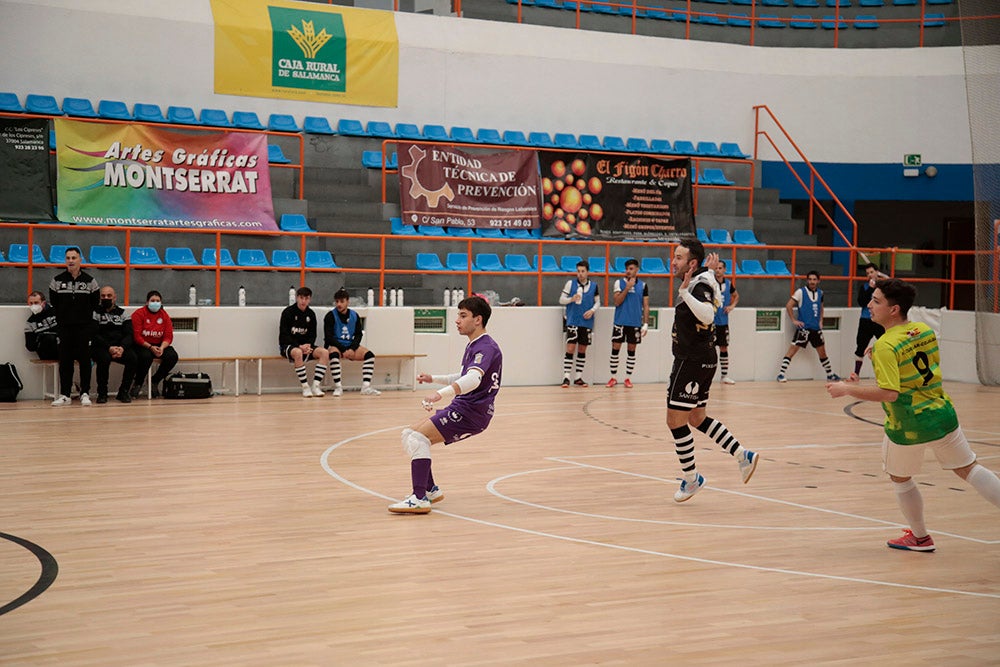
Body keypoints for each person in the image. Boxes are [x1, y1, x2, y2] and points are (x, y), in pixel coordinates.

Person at [826, 278, 1000, 551]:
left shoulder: (885, 345)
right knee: (969, 469)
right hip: (942, 414)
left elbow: (889, 393)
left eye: (876, 301)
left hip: (909, 423)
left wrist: (847, 388)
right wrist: (880, 351)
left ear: (894, 309)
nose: (869, 305)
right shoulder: (923, 330)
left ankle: (920, 537)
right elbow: (912, 361)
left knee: (900, 478)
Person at [388, 296, 502, 514]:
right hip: (464, 408)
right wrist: (434, 378)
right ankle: (429, 490)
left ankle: (419, 498)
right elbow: (462, 375)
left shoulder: (485, 347)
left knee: (418, 438)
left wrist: (440, 394)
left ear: (478, 319)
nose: (457, 320)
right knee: (408, 433)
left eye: (463, 315)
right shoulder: (476, 345)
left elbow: (473, 380)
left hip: (471, 412)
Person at [668, 239, 759, 502]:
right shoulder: (703, 279)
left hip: (692, 361)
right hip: (701, 358)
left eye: (679, 257)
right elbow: (708, 282)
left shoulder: (696, 286)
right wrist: (706, 271)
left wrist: (685, 292)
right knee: (697, 418)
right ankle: (743, 455)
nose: (673, 261)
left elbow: (708, 315)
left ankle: (691, 479)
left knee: (675, 421)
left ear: (691, 263)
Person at [48, 246, 99, 406]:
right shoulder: (56, 280)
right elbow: (55, 304)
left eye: (73, 258)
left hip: (84, 328)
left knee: (85, 361)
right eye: (68, 258)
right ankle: (65, 394)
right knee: (65, 361)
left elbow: (94, 304)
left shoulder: (90, 281)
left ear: (80, 260)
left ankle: (85, 393)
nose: (70, 261)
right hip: (64, 328)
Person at [776, 271, 839, 382]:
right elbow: (789, 305)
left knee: (823, 352)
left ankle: (830, 374)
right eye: (810, 279)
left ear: (818, 281)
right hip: (804, 329)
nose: (812, 281)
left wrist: (821, 321)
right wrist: (794, 320)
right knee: (792, 350)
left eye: (814, 279)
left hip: (816, 328)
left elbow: (821, 308)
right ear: (807, 280)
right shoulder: (800, 292)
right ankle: (781, 374)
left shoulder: (821, 293)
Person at [324, 287, 380, 396]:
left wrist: (352, 348)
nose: (339, 304)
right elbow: (329, 337)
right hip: (336, 345)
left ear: (347, 302)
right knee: (334, 354)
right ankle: (338, 387)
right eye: (337, 301)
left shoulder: (354, 315)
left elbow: (358, 334)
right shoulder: (330, 316)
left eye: (342, 301)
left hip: (350, 346)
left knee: (370, 356)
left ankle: (365, 387)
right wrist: (344, 349)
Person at [279, 286, 328, 398]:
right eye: (301, 298)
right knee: (298, 353)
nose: (303, 301)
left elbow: (312, 334)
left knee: (324, 353)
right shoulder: (288, 312)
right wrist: (299, 346)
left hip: (305, 346)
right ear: (297, 298)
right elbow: (284, 335)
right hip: (288, 345)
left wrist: (308, 345)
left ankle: (315, 386)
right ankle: (305, 387)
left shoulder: (311, 314)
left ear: (309, 299)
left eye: (306, 298)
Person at [607, 258, 648, 388]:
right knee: (615, 349)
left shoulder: (643, 285)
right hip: (620, 321)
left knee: (632, 350)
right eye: (627, 269)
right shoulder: (619, 283)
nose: (628, 271)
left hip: (635, 322)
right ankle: (613, 377)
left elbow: (646, 306)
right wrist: (627, 288)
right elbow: (617, 301)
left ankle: (628, 378)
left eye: (631, 269)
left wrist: (645, 323)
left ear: (637, 270)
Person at [91, 285, 137, 404]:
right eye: (103, 296)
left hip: (119, 347)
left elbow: (129, 334)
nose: (106, 298)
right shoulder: (95, 312)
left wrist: (121, 348)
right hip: (101, 347)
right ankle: (102, 393)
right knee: (104, 359)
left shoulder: (123, 313)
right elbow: (93, 334)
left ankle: (123, 392)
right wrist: (109, 348)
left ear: (115, 298)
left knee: (132, 358)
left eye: (109, 296)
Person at [131, 290, 179, 398]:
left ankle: (155, 381)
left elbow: (168, 336)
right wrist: (150, 347)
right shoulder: (139, 314)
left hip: (159, 344)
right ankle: (138, 383)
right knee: (145, 357)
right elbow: (136, 336)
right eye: (152, 300)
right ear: (147, 302)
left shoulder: (164, 315)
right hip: (143, 345)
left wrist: (162, 347)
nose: (155, 303)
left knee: (172, 356)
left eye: (158, 301)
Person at [559, 260, 599, 387]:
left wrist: (592, 310)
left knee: (582, 349)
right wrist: (571, 299)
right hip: (572, 320)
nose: (580, 274)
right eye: (578, 271)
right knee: (570, 348)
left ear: (587, 272)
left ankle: (578, 377)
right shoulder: (570, 284)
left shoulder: (594, 286)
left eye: (583, 271)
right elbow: (561, 300)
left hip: (586, 322)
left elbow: (598, 302)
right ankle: (566, 377)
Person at [852, 262, 888, 378]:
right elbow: (862, 302)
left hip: (880, 320)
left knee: (885, 347)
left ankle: (886, 374)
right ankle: (856, 374)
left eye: (872, 272)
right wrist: (870, 289)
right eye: (867, 273)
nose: (870, 275)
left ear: (877, 272)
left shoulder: (884, 287)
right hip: (866, 320)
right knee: (860, 347)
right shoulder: (865, 287)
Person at [712, 259, 739, 385]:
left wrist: (731, 306)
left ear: (724, 270)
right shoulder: (710, 282)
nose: (718, 270)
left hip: (723, 321)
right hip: (711, 321)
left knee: (723, 347)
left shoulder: (728, 284)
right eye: (716, 268)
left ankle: (724, 375)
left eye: (720, 268)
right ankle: (706, 374)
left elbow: (736, 296)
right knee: (709, 348)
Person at [24, 291, 59, 360]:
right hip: (45, 352)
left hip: (63, 347)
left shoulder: (56, 312)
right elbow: (30, 346)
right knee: (49, 338)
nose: (33, 305)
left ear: (43, 303)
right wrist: (41, 338)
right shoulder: (30, 322)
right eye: (31, 303)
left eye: (36, 303)